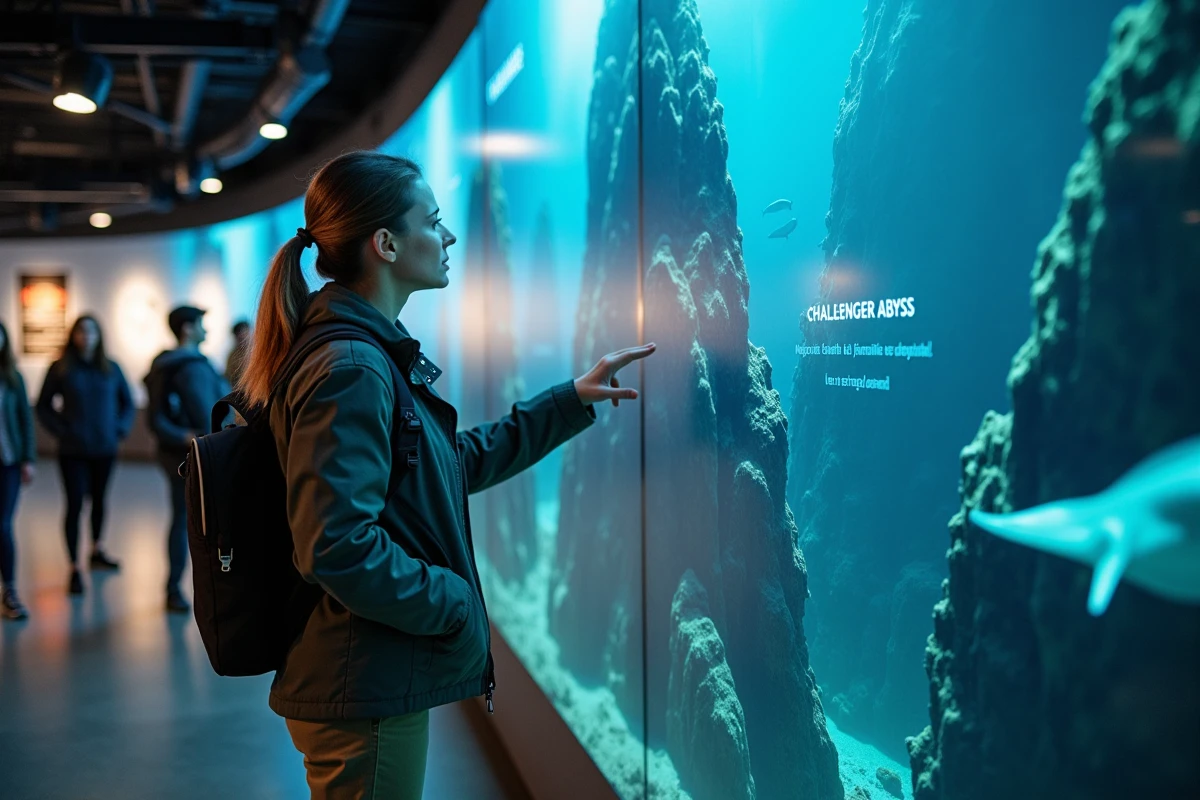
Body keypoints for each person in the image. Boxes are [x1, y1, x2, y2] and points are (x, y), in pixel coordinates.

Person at [237, 151, 655, 800]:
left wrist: (569, 400)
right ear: (385, 243)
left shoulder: (364, 351)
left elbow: (446, 464)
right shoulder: (352, 365)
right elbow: (336, 545)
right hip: (362, 690)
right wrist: (453, 603)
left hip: (364, 676)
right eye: (431, 221)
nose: (448, 236)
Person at [37, 315, 133, 595]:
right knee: (75, 504)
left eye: (91, 331)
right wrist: (62, 431)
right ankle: (74, 568)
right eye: (81, 331)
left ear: (99, 336)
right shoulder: (61, 368)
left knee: (100, 500)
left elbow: (126, 403)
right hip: (73, 450)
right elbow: (43, 406)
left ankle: (96, 550)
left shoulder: (111, 368)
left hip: (105, 448)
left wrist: (120, 429)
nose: (86, 336)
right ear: (73, 336)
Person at [145, 306, 229, 613]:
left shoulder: (201, 364)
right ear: (188, 329)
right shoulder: (170, 367)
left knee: (202, 521)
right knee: (183, 519)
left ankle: (208, 587)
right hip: (182, 457)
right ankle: (173, 588)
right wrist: (185, 437)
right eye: (201, 324)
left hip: (209, 451)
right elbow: (156, 419)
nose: (206, 329)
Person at [0, 321, 36, 620]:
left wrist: (29, 459)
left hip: (8, 463)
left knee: (3, 526)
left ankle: (9, 591)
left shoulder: (13, 378)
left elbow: (26, 419)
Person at [225, 320, 251, 386]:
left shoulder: (258, 351)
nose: (244, 338)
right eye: (240, 337)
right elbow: (228, 377)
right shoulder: (232, 356)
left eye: (245, 334)